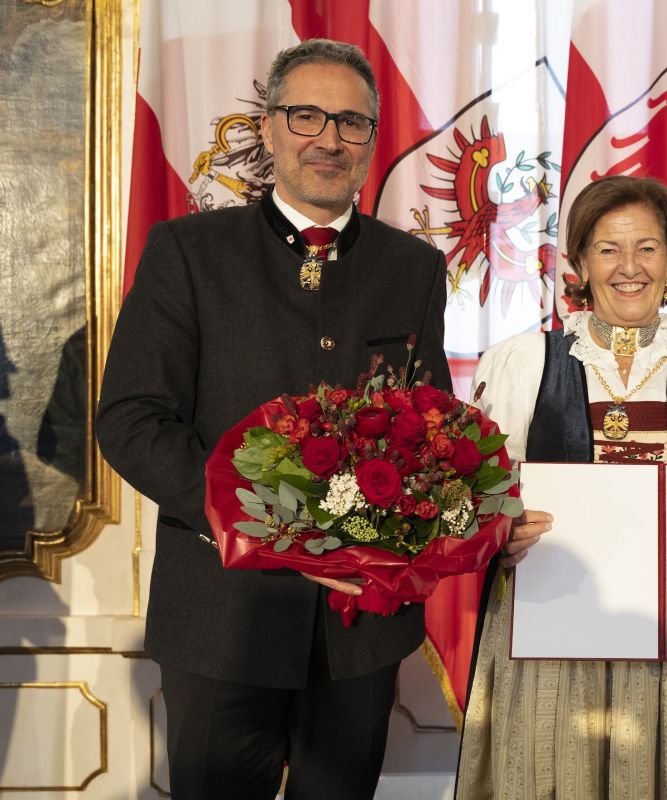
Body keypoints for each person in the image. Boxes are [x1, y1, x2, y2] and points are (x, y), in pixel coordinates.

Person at [96, 39, 450, 800]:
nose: (329, 139)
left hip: (360, 628)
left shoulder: (413, 267)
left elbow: (431, 430)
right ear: (267, 126)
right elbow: (131, 418)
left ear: (371, 138)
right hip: (220, 617)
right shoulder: (188, 251)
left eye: (351, 122)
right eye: (306, 116)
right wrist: (263, 523)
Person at [455, 175, 667, 799]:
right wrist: (503, 531)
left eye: (648, 248)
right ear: (578, 262)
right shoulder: (522, 361)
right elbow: (477, 501)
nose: (630, 267)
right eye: (608, 249)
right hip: (548, 638)